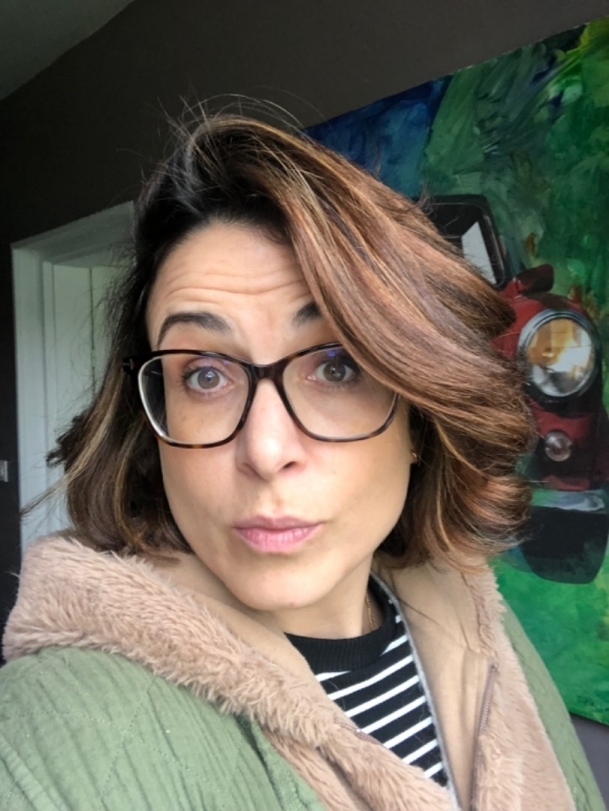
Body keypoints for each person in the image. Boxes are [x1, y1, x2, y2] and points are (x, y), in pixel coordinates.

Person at [0, 113, 602, 811]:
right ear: (151, 421)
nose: (264, 450)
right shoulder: (57, 731)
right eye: (204, 374)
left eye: (337, 366)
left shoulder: (480, 619)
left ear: (420, 413)